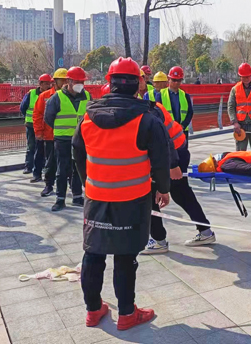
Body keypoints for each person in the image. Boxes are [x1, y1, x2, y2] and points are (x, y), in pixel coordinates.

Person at [72, 57, 171, 331]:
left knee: (93, 253)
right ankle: (127, 313)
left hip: (96, 198)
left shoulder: (87, 117)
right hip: (133, 199)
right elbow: (161, 160)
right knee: (125, 256)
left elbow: (77, 153)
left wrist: (87, 182)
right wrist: (164, 189)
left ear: (109, 81)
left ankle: (93, 310)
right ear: (139, 83)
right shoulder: (146, 119)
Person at [145, 66, 215, 247]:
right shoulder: (152, 100)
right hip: (177, 148)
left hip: (173, 152)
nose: (174, 83)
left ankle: (159, 241)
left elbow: (163, 138)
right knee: (181, 193)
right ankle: (205, 231)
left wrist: (172, 165)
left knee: (154, 193)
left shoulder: (149, 105)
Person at [44, 66, 91, 211]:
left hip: (80, 139)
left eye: (82, 81)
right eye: (77, 81)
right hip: (62, 139)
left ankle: (77, 196)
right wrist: (62, 129)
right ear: (69, 81)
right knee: (62, 169)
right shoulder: (57, 98)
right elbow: (48, 118)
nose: (80, 84)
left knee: (78, 168)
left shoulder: (87, 96)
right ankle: (60, 199)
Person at [34, 68, 69, 195]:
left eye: (67, 80)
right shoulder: (45, 96)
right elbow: (37, 115)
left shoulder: (71, 97)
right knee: (50, 163)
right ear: (55, 81)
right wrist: (39, 132)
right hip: (50, 136)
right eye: (62, 80)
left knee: (69, 163)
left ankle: (72, 187)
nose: (65, 83)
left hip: (67, 136)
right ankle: (49, 185)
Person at [21, 74, 53, 180]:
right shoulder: (31, 94)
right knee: (31, 146)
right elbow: (23, 107)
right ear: (40, 84)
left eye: (49, 83)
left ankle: (43, 168)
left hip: (46, 126)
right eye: (46, 84)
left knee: (43, 149)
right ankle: (28, 166)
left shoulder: (51, 94)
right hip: (31, 124)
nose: (48, 86)